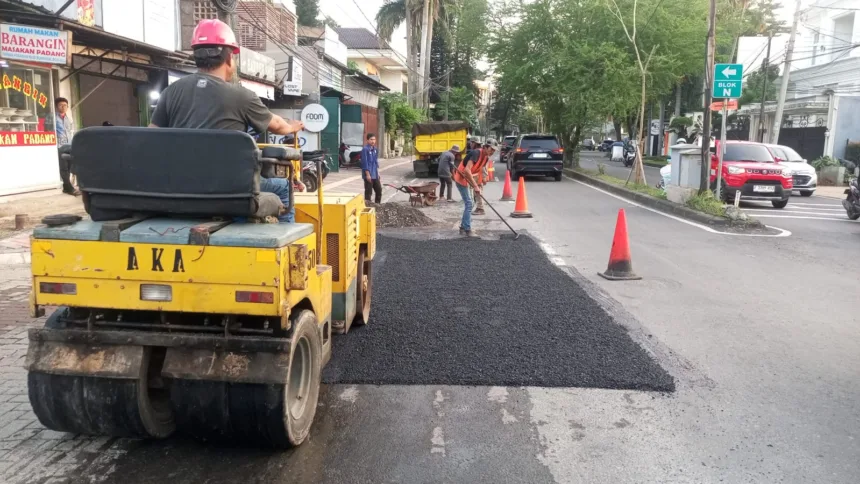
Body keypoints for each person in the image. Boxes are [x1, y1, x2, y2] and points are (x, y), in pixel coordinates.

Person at [148, 19, 304, 222]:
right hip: (229, 190)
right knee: (284, 188)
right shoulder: (242, 96)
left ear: (196, 56)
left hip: (180, 186)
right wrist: (292, 126)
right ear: (230, 58)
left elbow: (151, 137)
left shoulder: (170, 92)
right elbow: (278, 126)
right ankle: (285, 247)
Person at [54, 97, 77, 195]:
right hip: (60, 145)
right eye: (60, 105)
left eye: (65, 105)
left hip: (70, 144)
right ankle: (69, 188)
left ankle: (65, 187)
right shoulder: (53, 117)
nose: (63, 107)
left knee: (69, 167)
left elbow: (72, 131)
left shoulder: (69, 118)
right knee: (63, 168)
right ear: (56, 106)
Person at [361, 133, 381, 204]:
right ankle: (368, 207)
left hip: (375, 174)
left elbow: (376, 162)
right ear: (367, 140)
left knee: (379, 190)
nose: (373, 141)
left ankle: (377, 206)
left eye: (374, 139)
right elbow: (364, 163)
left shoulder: (375, 149)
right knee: (368, 192)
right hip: (368, 175)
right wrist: (367, 174)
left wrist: (378, 173)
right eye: (371, 139)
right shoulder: (365, 150)